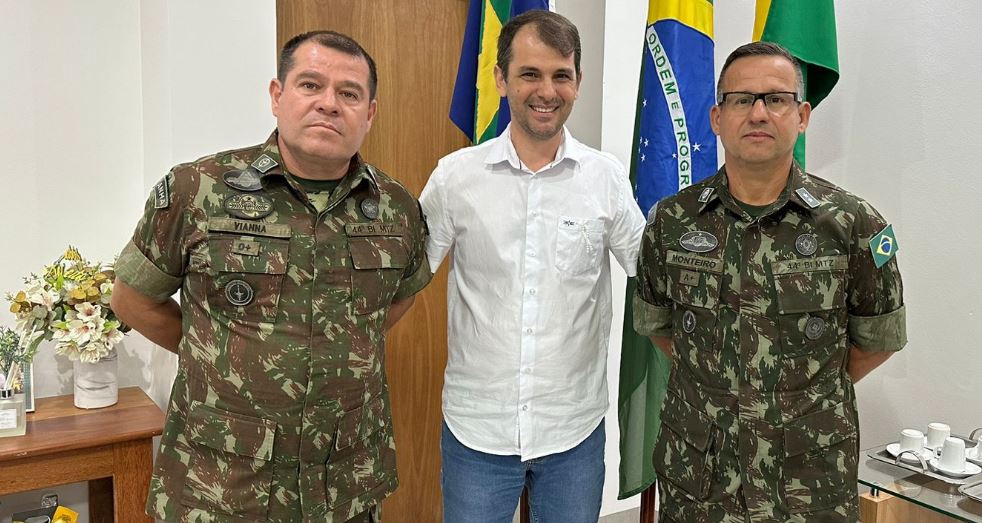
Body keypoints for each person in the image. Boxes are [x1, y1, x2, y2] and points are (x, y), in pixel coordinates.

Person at [111, 30, 431, 523]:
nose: (329, 104)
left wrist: (338, 343)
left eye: (349, 94)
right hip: (222, 486)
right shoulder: (198, 190)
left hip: (343, 484)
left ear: (369, 113)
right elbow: (132, 299)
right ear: (277, 96)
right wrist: (219, 353)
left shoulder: (395, 206)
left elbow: (399, 298)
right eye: (310, 85)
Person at [633, 41, 907, 522]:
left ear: (802, 116)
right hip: (701, 479)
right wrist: (723, 384)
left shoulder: (854, 224)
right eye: (742, 99)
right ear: (717, 118)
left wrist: (798, 394)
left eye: (776, 99)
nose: (758, 113)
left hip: (807, 483)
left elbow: (879, 338)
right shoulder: (670, 223)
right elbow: (660, 328)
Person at [420, 10, 646, 522]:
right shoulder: (455, 179)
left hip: (573, 431)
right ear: (500, 79)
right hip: (478, 430)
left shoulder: (605, 179)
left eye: (561, 75)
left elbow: (651, 275)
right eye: (530, 74)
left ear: (578, 82)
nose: (547, 91)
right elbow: (407, 279)